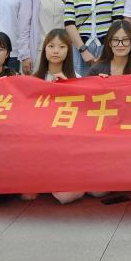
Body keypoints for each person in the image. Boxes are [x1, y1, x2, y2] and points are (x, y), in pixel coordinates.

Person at [22, 29, 83, 205]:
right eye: (51, 46)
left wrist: (67, 88)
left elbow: (83, 117)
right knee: (27, 196)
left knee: (65, 197)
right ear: (44, 49)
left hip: (65, 148)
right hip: (37, 146)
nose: (56, 51)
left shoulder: (77, 79)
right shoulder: (32, 80)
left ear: (68, 51)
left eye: (62, 47)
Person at [64, 0, 126, 77]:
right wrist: (83, 50)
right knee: (78, 84)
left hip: (107, 49)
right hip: (79, 48)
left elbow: (117, 24)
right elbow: (69, 24)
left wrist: (106, 52)